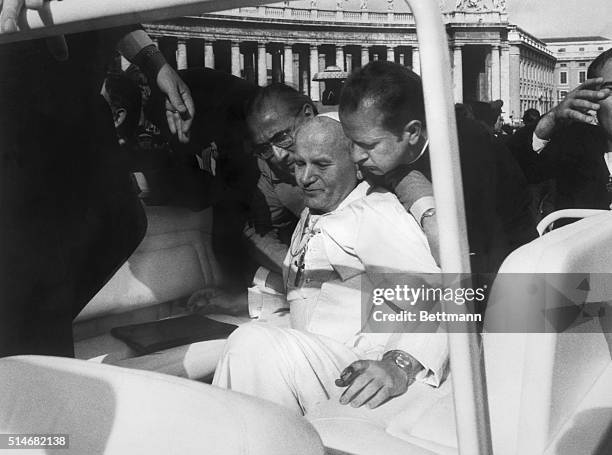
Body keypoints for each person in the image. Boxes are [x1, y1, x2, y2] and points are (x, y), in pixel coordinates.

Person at [213, 114, 446, 415]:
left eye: (321, 165)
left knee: (251, 344)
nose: (304, 178)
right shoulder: (320, 210)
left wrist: (399, 363)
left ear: (356, 166)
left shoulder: (374, 213)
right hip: (321, 358)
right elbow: (316, 296)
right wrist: (250, 303)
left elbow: (445, 294)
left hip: (361, 370)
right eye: (299, 164)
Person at [0, 14, 194, 356]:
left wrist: (155, 64)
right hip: (18, 106)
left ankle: (30, 337)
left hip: (77, 104)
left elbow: (112, 11)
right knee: (31, 267)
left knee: (123, 222)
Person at [339, 61, 536, 275]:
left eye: (368, 145)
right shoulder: (381, 148)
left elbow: (480, 250)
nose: (356, 156)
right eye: (351, 141)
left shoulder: (468, 150)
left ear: (413, 132)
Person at [507, 48, 612, 219]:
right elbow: (509, 170)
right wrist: (551, 120)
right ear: (591, 97)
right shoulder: (571, 146)